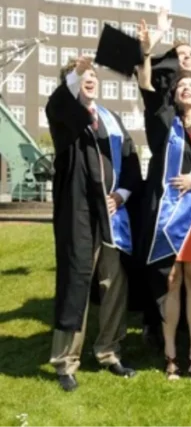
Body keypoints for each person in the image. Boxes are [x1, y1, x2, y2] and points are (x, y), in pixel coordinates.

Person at [46, 56, 142, 392]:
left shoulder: (111, 118)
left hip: (114, 217)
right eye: (82, 74)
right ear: (71, 82)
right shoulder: (64, 114)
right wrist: (73, 75)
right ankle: (65, 362)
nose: (90, 78)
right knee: (76, 283)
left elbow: (131, 160)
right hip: (80, 214)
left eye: (92, 74)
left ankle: (108, 351)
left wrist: (123, 194)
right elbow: (60, 100)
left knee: (114, 284)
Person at [137, 24, 191, 381]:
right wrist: (146, 51)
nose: (185, 87)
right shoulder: (165, 123)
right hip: (168, 215)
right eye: (180, 86)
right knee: (171, 279)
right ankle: (171, 355)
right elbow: (146, 87)